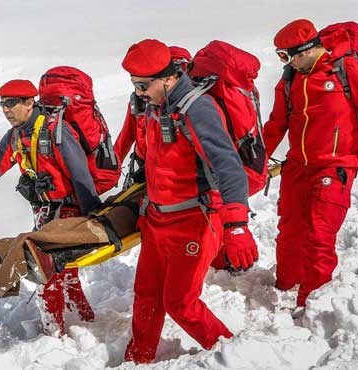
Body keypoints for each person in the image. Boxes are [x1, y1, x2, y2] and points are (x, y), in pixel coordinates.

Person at [120, 39, 259, 363]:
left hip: (193, 222)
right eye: (133, 85)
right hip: (157, 221)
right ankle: (137, 359)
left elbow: (228, 167)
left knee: (180, 303)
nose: (138, 92)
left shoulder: (197, 109)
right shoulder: (156, 105)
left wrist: (237, 225)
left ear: (167, 78)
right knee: (146, 297)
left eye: (142, 85)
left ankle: (234, 355)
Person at [0, 79, 117, 336]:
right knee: (64, 269)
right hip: (44, 211)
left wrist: (92, 214)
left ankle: (53, 333)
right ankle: (84, 316)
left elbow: (80, 173)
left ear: (29, 102)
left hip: (66, 211)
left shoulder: (56, 132)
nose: (6, 110)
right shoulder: (16, 136)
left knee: (45, 273)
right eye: (3, 104)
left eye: (12, 103)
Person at [263, 19, 358, 312]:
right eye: (281, 57)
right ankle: (284, 286)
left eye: (287, 55)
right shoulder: (290, 78)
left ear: (306, 50)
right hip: (297, 167)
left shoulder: (347, 70)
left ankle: (309, 307)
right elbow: (276, 124)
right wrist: (253, 163)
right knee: (290, 230)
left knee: (319, 235)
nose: (286, 62)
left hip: (335, 166)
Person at [114, 45, 193, 185]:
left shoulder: (193, 105)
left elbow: (126, 137)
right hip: (154, 168)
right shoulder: (141, 99)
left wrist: (112, 168)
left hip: (165, 171)